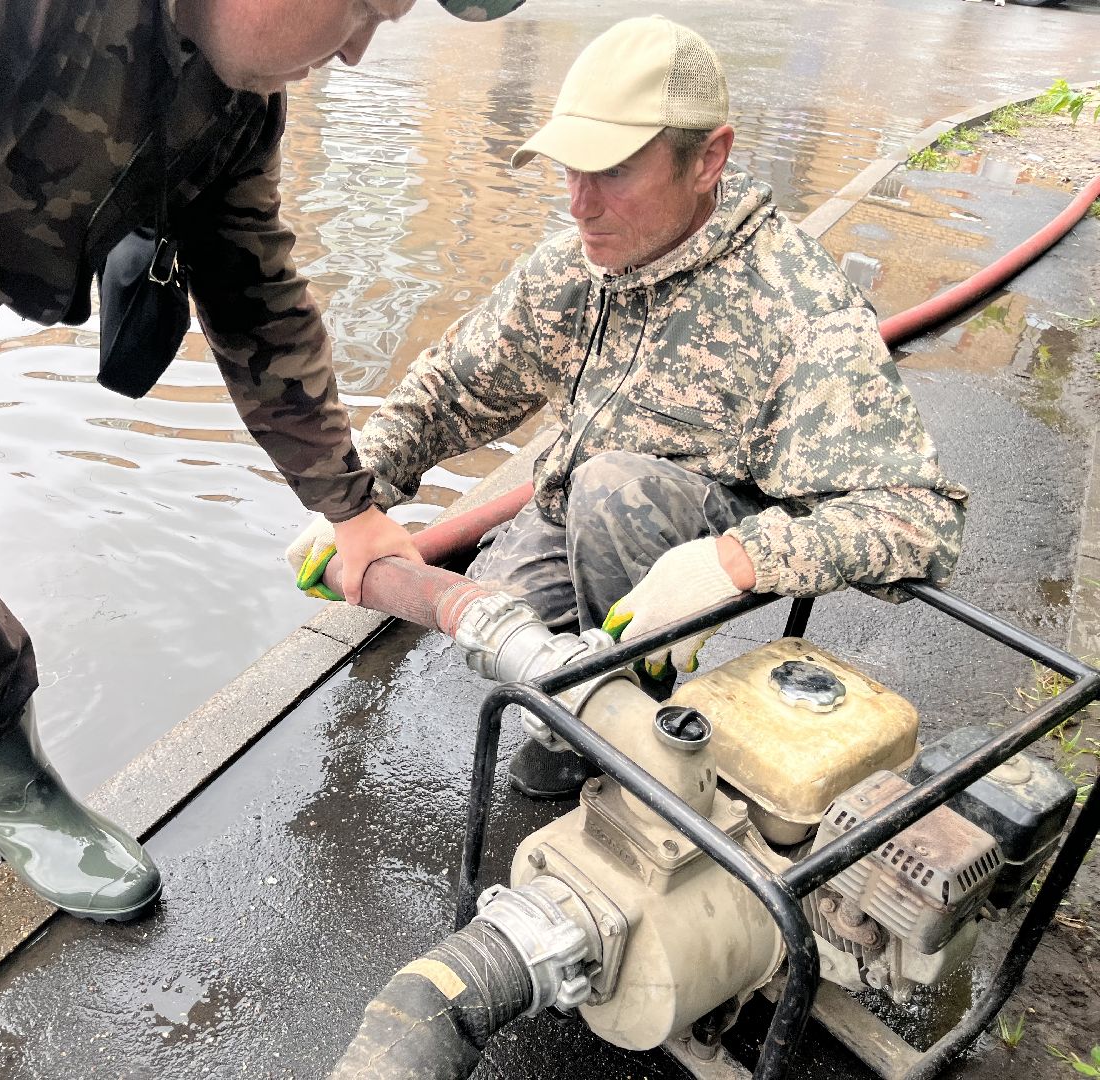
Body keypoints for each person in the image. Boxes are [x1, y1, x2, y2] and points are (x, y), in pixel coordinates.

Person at [0, 0, 525, 922]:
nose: (355, 51)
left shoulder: (232, 95)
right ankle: (10, 795)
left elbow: (254, 295)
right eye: (362, 4)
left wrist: (349, 507)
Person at [288, 15, 968, 799]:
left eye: (611, 171)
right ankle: (580, 696)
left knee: (614, 490)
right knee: (497, 621)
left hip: (698, 529)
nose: (580, 205)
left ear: (708, 157)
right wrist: (353, 493)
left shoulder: (795, 309)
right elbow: (455, 386)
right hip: (579, 499)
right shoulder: (582, 265)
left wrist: (734, 564)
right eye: (570, 170)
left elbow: (920, 518)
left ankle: (638, 727)